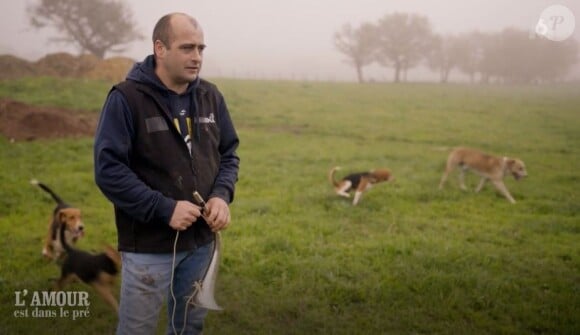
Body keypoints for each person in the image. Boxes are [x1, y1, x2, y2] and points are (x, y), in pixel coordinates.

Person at [93, 12, 240, 335]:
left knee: (189, 326)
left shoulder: (210, 97)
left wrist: (221, 196)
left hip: (202, 243)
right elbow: (108, 171)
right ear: (160, 49)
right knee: (137, 330)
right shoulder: (126, 99)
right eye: (187, 48)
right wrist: (164, 208)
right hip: (149, 247)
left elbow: (229, 154)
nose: (197, 57)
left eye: (201, 48)